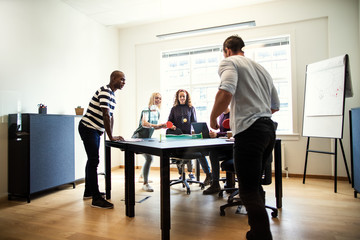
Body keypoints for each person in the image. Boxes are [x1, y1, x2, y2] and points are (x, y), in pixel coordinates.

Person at [210, 35, 280, 240]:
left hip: (249, 132)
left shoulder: (229, 62)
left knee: (248, 189)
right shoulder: (262, 69)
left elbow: (226, 91)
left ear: (227, 50)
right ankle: (256, 231)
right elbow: (274, 106)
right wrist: (256, 109)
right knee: (254, 184)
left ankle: (261, 236)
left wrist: (213, 116)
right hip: (268, 129)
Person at [79, 70, 126, 209]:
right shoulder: (105, 91)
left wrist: (112, 135)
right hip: (88, 127)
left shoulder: (112, 95)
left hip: (94, 130)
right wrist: (110, 135)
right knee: (94, 160)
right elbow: (105, 115)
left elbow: (110, 117)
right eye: (122, 79)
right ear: (113, 78)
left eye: (125, 80)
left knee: (92, 160)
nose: (124, 82)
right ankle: (96, 198)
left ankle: (89, 191)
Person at [168, 89, 212, 186]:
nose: (182, 98)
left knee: (201, 152)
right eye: (180, 96)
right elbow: (168, 123)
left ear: (187, 97)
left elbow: (195, 123)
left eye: (184, 96)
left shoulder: (191, 108)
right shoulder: (174, 109)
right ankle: (181, 174)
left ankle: (209, 175)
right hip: (177, 139)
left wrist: (195, 134)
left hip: (188, 138)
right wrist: (171, 126)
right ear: (178, 98)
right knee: (179, 156)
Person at [132, 92, 166, 192]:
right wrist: (158, 125)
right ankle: (145, 183)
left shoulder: (157, 112)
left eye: (160, 98)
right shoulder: (146, 110)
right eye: (156, 98)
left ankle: (142, 177)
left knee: (149, 158)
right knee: (150, 158)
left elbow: (153, 128)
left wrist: (162, 126)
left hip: (146, 139)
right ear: (152, 99)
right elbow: (145, 124)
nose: (158, 100)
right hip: (138, 138)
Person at [203, 107, 233, 195]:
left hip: (232, 149)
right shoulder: (221, 115)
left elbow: (232, 132)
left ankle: (215, 183)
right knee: (212, 153)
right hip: (224, 146)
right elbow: (223, 131)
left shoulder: (232, 114)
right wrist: (215, 133)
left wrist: (217, 134)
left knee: (213, 153)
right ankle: (215, 183)